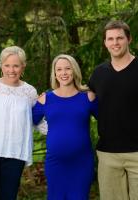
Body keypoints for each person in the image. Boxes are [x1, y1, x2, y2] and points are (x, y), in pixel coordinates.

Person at [0, 46, 45, 200]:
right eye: (7, 65)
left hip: (15, 154)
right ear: (1, 65)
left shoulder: (29, 91)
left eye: (16, 65)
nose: (11, 70)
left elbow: (38, 121)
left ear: (23, 66)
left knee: (9, 196)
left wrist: (62, 124)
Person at [32, 54, 98, 200]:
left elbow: (108, 120)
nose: (64, 73)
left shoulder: (88, 97)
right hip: (55, 162)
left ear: (74, 71)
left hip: (82, 162)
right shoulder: (46, 98)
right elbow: (30, 120)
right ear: (54, 74)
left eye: (67, 69)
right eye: (59, 69)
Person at [89, 20, 138, 200]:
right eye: (110, 39)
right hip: (108, 153)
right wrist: (50, 96)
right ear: (105, 42)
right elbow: (84, 100)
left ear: (129, 39)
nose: (115, 43)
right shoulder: (98, 73)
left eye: (119, 38)